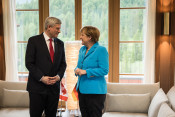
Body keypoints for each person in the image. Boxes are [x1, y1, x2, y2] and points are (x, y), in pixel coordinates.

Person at [25, 17, 67, 117]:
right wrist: (42, 78)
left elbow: (63, 64)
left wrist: (58, 76)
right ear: (49, 27)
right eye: (57, 28)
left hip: (54, 88)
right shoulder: (33, 40)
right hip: (37, 88)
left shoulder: (60, 43)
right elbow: (29, 63)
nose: (59, 31)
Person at [75, 26, 109, 117]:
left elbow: (104, 70)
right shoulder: (82, 50)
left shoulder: (101, 50)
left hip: (95, 92)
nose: (80, 37)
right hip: (82, 90)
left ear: (90, 37)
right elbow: (78, 66)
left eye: (82, 35)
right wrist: (76, 70)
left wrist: (86, 71)